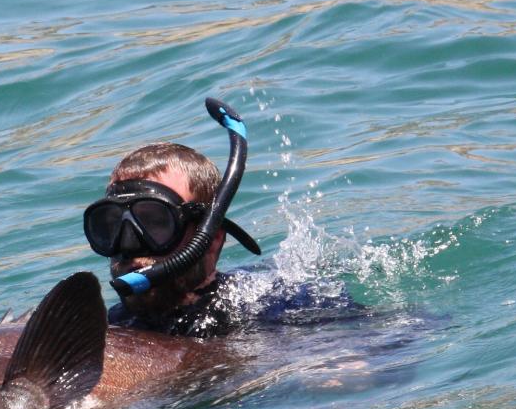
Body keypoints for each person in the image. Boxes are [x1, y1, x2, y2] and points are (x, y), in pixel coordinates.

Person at [83, 142, 357, 338]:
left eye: (154, 223)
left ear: (212, 239)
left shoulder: (274, 304)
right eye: (110, 226)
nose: (129, 245)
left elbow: (368, 349)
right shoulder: (117, 323)